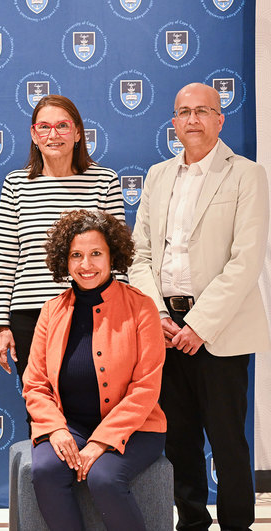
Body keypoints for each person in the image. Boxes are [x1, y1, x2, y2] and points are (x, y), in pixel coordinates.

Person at [128, 82, 270, 531]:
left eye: (203, 111)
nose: (192, 120)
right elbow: (140, 255)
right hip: (165, 326)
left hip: (219, 328)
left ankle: (236, 525)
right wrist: (161, 318)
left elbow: (245, 261)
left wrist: (200, 326)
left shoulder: (247, 174)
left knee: (228, 441)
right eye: (183, 112)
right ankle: (191, 522)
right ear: (173, 122)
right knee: (180, 439)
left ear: (219, 119)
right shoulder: (157, 175)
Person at [24, 209, 166, 531]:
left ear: (112, 255)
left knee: (103, 477)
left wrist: (102, 441)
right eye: (76, 255)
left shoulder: (141, 307)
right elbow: (35, 383)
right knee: (45, 470)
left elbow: (145, 387)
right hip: (70, 425)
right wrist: (55, 428)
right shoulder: (51, 310)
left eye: (95, 254)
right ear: (65, 260)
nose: (86, 265)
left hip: (136, 429)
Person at [0, 95, 124, 386]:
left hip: (91, 310)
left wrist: (120, 315)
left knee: (93, 399)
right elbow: (5, 259)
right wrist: (1, 325)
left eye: (63, 126)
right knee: (39, 404)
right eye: (44, 127)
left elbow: (119, 259)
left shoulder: (105, 180)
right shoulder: (16, 184)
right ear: (34, 134)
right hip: (30, 315)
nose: (54, 135)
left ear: (77, 133)